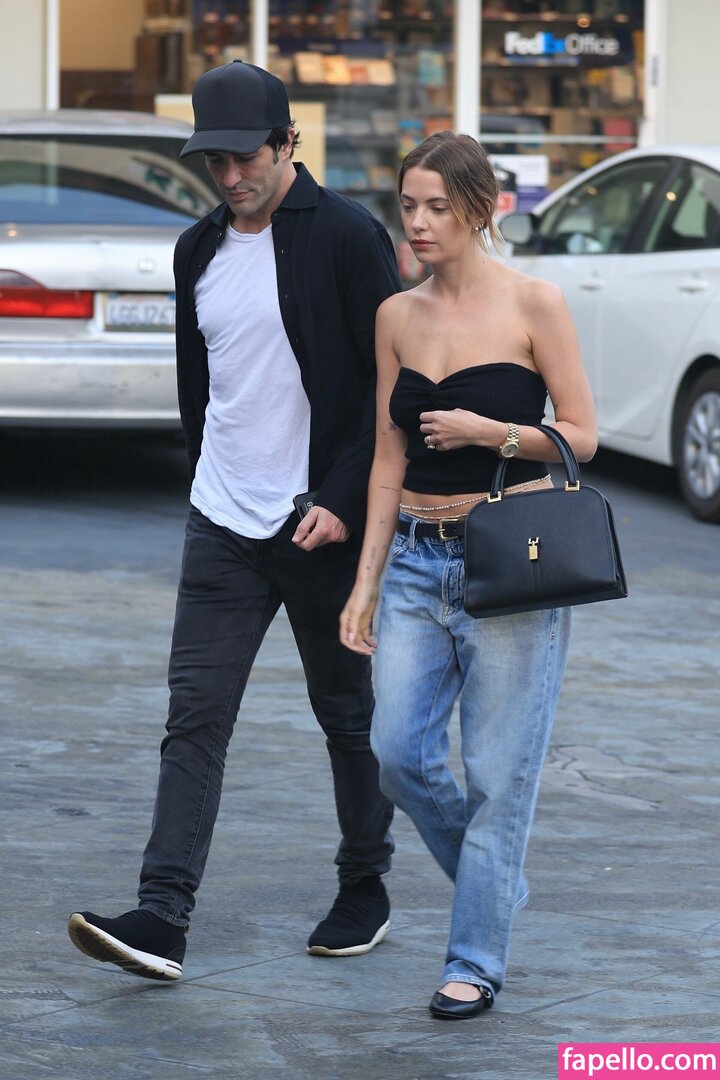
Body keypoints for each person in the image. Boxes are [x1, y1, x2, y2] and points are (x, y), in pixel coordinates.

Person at [67, 60, 400, 980]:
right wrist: (206, 479)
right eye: (214, 160)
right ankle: (161, 916)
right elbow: (200, 388)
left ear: (288, 142)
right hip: (221, 521)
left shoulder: (348, 237)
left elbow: (387, 393)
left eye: (245, 156)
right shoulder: (197, 250)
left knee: (347, 718)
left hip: (318, 526)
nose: (230, 175)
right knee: (194, 721)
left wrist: (340, 499)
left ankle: (365, 885)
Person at [340, 131, 597, 1019]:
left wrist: (493, 434)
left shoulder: (534, 303)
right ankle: (496, 883)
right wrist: (366, 582)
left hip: (510, 560)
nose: (417, 223)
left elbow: (583, 435)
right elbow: (386, 458)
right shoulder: (396, 315)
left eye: (437, 208)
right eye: (408, 206)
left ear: (480, 211)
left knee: (497, 773)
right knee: (397, 755)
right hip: (415, 557)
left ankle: (474, 960)